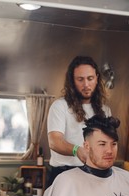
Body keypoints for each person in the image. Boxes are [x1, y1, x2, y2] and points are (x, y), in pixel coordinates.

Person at [47, 56, 112, 187]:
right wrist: (77, 150)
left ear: (97, 79)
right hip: (63, 175)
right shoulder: (60, 106)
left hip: (93, 176)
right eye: (80, 79)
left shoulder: (105, 110)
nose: (86, 84)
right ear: (72, 81)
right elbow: (54, 142)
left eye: (90, 78)